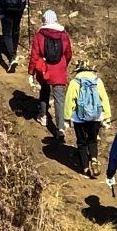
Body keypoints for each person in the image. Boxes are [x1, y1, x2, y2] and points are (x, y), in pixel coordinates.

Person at [28, 8, 72, 141]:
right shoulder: (63, 34)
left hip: (45, 69)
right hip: (59, 69)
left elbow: (35, 54)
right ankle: (60, 128)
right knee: (59, 99)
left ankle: (43, 116)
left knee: (44, 91)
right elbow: (68, 53)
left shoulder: (40, 35)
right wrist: (64, 64)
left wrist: (31, 71)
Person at [64, 57, 112, 176]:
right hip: (96, 117)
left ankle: (85, 167)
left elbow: (70, 100)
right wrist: (106, 116)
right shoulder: (97, 81)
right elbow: (104, 98)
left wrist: (67, 117)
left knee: (81, 142)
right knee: (92, 139)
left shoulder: (75, 82)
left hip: (79, 118)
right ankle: (94, 159)